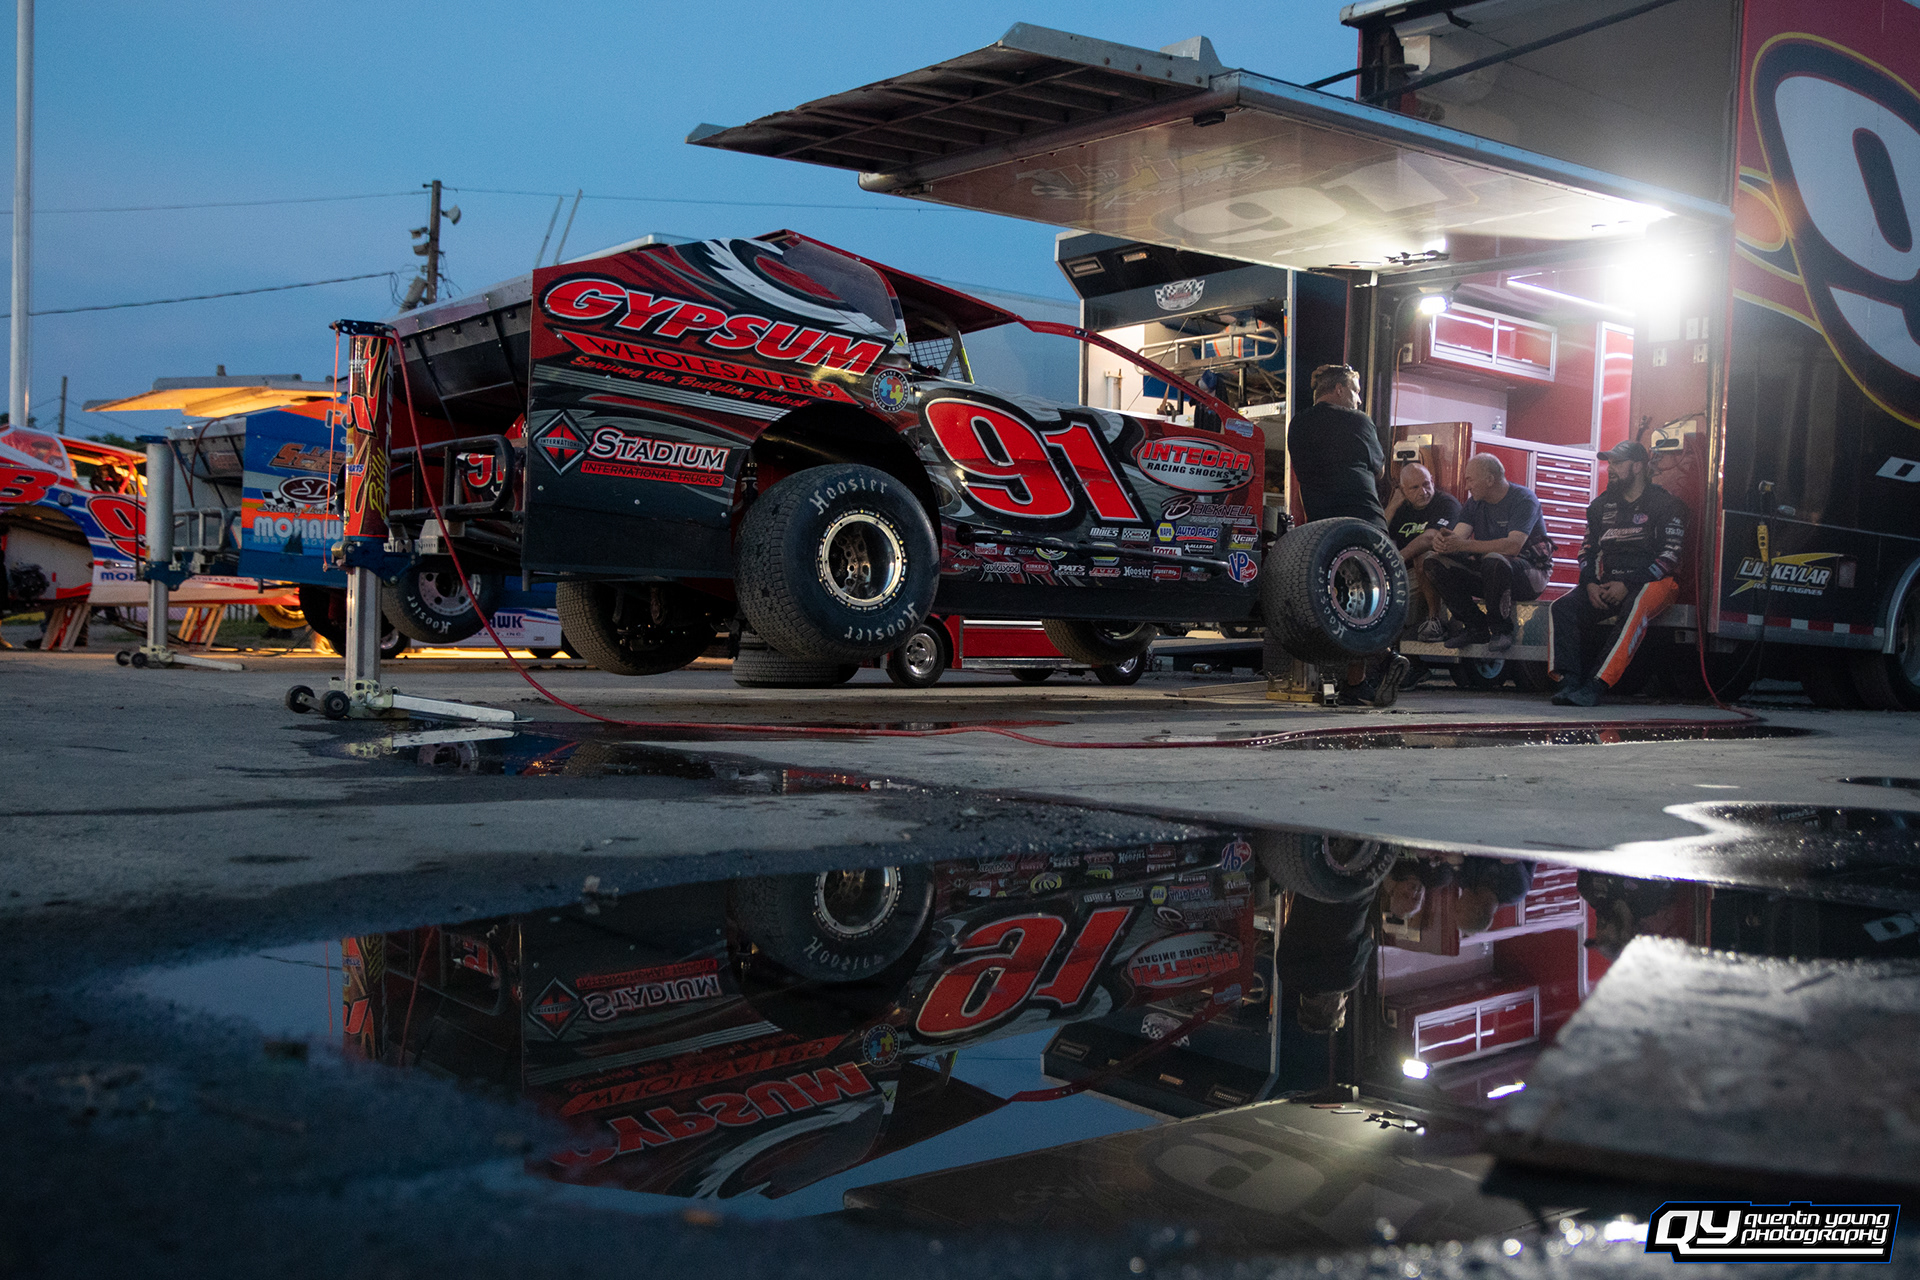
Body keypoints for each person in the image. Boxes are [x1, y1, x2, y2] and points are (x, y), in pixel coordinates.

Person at [1286, 364, 1410, 706]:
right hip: (1365, 519)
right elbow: (1380, 470)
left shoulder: (1298, 424)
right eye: (1355, 391)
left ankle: (1357, 685)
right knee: (1374, 599)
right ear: (1339, 390)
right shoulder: (1359, 422)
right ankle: (1382, 659)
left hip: (1323, 526)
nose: (1358, 400)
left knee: (1343, 599)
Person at [1548, 440, 1687, 706]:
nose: (1610, 468)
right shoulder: (1601, 506)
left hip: (1654, 582)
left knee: (1634, 607)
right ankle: (1569, 683)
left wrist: (1627, 583)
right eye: (1609, 462)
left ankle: (1595, 686)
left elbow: (1670, 557)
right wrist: (1589, 584)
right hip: (1608, 584)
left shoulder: (1665, 504)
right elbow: (1586, 551)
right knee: (1561, 607)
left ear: (1637, 466)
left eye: (1617, 463)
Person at [1424, 454, 1554, 653]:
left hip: (1529, 575)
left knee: (1495, 560)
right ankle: (1475, 626)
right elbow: (1459, 539)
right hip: (1490, 574)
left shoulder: (1524, 499)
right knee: (1433, 563)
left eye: (1470, 479)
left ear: (1490, 480)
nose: (1467, 486)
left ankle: (1501, 630)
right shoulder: (1474, 503)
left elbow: (1512, 547)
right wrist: (1444, 543)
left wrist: (1462, 545)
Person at [1383, 462, 1462, 642]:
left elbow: (1430, 538)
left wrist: (1397, 559)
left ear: (1432, 482)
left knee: (1424, 557)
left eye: (1426, 484)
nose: (1423, 492)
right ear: (1402, 490)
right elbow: (1377, 536)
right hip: (1404, 573)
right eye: (1414, 488)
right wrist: (1393, 506)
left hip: (1442, 571)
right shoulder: (1401, 510)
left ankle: (1435, 621)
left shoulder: (1446, 504)